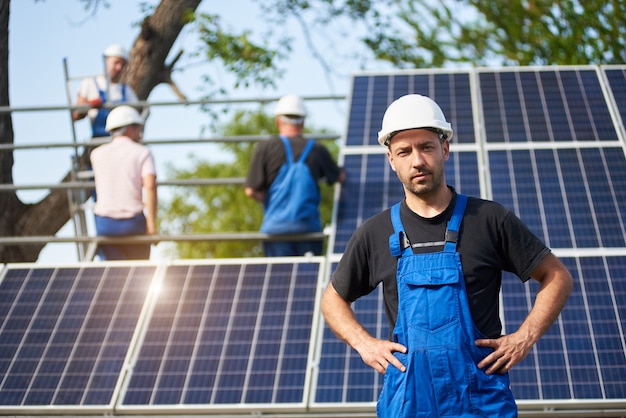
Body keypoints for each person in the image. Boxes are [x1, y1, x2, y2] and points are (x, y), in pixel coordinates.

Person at [321, 94, 573, 417]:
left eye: (426, 147)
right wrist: (364, 344)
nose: (417, 161)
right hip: (407, 405)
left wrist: (524, 338)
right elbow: (332, 300)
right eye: (404, 151)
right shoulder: (374, 233)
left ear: (445, 148)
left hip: (481, 404)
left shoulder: (489, 220)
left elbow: (557, 276)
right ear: (391, 159)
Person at [245, 94, 345, 257]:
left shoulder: (265, 147)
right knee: (308, 280)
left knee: (282, 280)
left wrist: (269, 201)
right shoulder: (317, 149)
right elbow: (339, 177)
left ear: (278, 120)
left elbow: (250, 190)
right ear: (303, 122)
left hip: (275, 230)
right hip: (308, 230)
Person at [90, 105, 157, 260]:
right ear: (129, 129)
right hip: (133, 223)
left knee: (114, 275)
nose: (140, 133)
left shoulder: (96, 154)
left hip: (104, 224)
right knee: (138, 274)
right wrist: (152, 225)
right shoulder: (143, 152)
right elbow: (150, 186)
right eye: (138, 128)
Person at [72, 44, 140, 138]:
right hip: (99, 140)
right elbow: (75, 115)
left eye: (122, 65)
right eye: (116, 63)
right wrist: (90, 105)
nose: (119, 67)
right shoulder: (90, 83)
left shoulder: (127, 91)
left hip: (121, 142)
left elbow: (136, 119)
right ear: (105, 61)